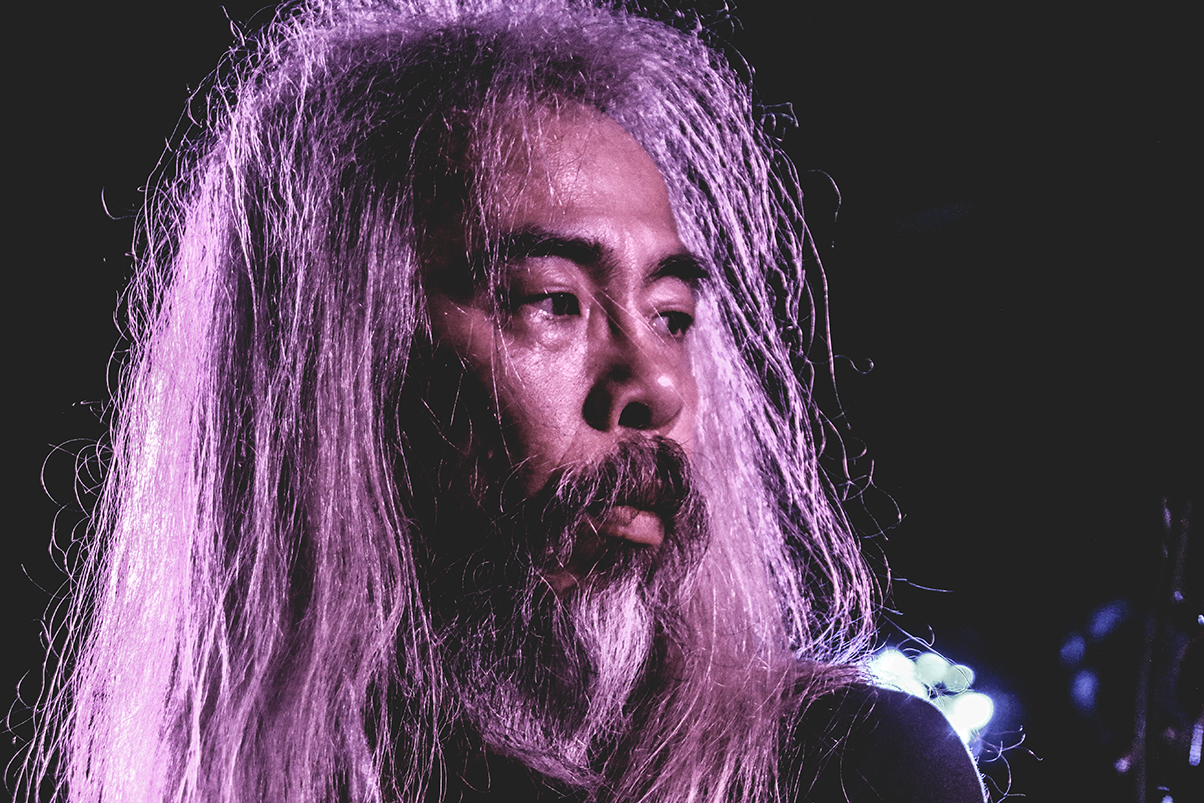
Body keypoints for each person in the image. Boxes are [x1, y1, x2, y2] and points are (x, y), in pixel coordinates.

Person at [20, 1, 987, 801]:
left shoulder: (856, 770)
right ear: (337, 365)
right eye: (552, 302)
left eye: (672, 315)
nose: (655, 385)